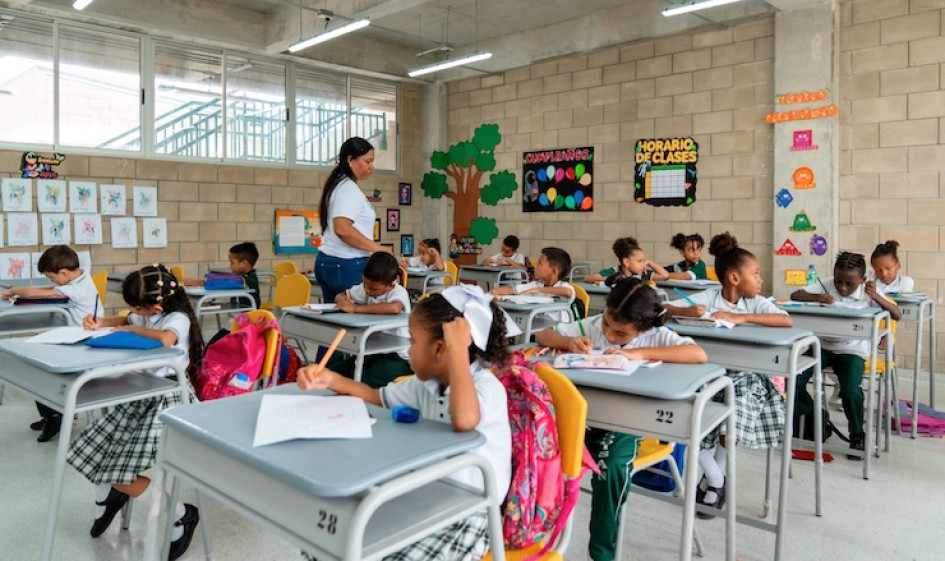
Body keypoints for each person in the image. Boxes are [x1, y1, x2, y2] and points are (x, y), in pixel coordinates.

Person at [297, 285, 513, 560]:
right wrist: (331, 380)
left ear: (439, 349)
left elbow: (465, 420)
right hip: (423, 498)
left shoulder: (486, 387)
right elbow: (376, 396)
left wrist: (457, 347)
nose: (407, 350)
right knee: (325, 545)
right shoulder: (426, 384)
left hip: (469, 515)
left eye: (412, 341)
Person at [535, 277, 706, 561]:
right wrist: (569, 341)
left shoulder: (656, 336)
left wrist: (638, 352)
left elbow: (697, 353)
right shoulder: (592, 327)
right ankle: (533, 538)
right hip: (585, 421)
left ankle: (602, 553)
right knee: (535, 448)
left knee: (610, 466)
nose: (610, 336)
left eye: (621, 334)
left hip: (629, 423)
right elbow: (543, 335)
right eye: (606, 325)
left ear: (644, 328)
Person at [66, 265, 204, 560]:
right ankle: (111, 497)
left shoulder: (176, 318)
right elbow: (125, 317)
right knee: (92, 450)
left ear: (156, 305)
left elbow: (166, 339)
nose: (132, 312)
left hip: (169, 399)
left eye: (137, 307)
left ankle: (181, 516)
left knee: (120, 472)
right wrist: (100, 321)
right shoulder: (149, 312)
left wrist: (128, 328)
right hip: (141, 392)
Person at [664, 232, 792, 516]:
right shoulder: (710, 296)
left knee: (730, 422)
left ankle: (714, 482)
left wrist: (741, 317)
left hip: (747, 377)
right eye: (755, 274)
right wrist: (688, 311)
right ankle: (717, 479)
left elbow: (785, 320)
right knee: (685, 422)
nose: (760, 279)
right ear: (735, 278)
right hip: (706, 374)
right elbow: (667, 308)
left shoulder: (755, 302)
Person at [790, 251, 902, 459]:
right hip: (822, 346)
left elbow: (897, 314)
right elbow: (795, 296)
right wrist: (818, 297)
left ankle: (857, 435)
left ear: (863, 280)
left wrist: (876, 296)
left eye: (849, 284)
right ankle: (816, 416)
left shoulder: (868, 293)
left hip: (852, 350)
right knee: (793, 380)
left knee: (850, 390)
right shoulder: (827, 284)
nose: (842, 287)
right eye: (838, 281)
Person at [1, 245, 101, 442]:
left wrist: (17, 291)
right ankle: (54, 413)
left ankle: (54, 415)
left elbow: (42, 293)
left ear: (63, 273)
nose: (50, 281)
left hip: (83, 341)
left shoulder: (79, 288)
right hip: (73, 336)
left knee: (38, 365)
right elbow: (45, 289)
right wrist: (15, 290)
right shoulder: (78, 278)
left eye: (51, 277)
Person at [315, 137, 392, 304]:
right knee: (355, 320)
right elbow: (342, 229)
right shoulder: (348, 188)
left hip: (329, 261)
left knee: (335, 319)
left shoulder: (338, 184)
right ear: (350, 159)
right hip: (347, 264)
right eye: (367, 161)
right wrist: (378, 249)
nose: (372, 167)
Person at [332, 252, 412, 388]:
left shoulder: (398, 292)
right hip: (373, 351)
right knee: (333, 376)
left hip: (399, 356)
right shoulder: (367, 288)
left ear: (391, 285)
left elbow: (394, 308)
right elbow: (342, 294)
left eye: (373, 289)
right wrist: (342, 300)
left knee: (362, 383)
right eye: (365, 285)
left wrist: (355, 309)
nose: (368, 291)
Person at [491, 246, 576, 323]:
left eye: (540, 263)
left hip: (558, 330)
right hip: (536, 326)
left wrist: (539, 290)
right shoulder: (536, 284)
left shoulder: (562, 286)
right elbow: (512, 290)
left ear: (553, 271)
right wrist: (493, 292)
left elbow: (568, 292)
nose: (535, 266)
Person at [182, 241, 260, 307]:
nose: (230, 266)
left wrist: (197, 282)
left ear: (243, 263)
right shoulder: (241, 276)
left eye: (232, 263)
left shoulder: (249, 279)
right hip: (239, 314)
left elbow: (225, 283)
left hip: (250, 317)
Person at [583, 237, 671, 284]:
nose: (643, 264)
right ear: (626, 262)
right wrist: (608, 279)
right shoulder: (614, 272)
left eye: (643, 261)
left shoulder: (642, 274)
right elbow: (587, 278)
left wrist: (650, 263)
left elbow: (665, 275)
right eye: (639, 261)